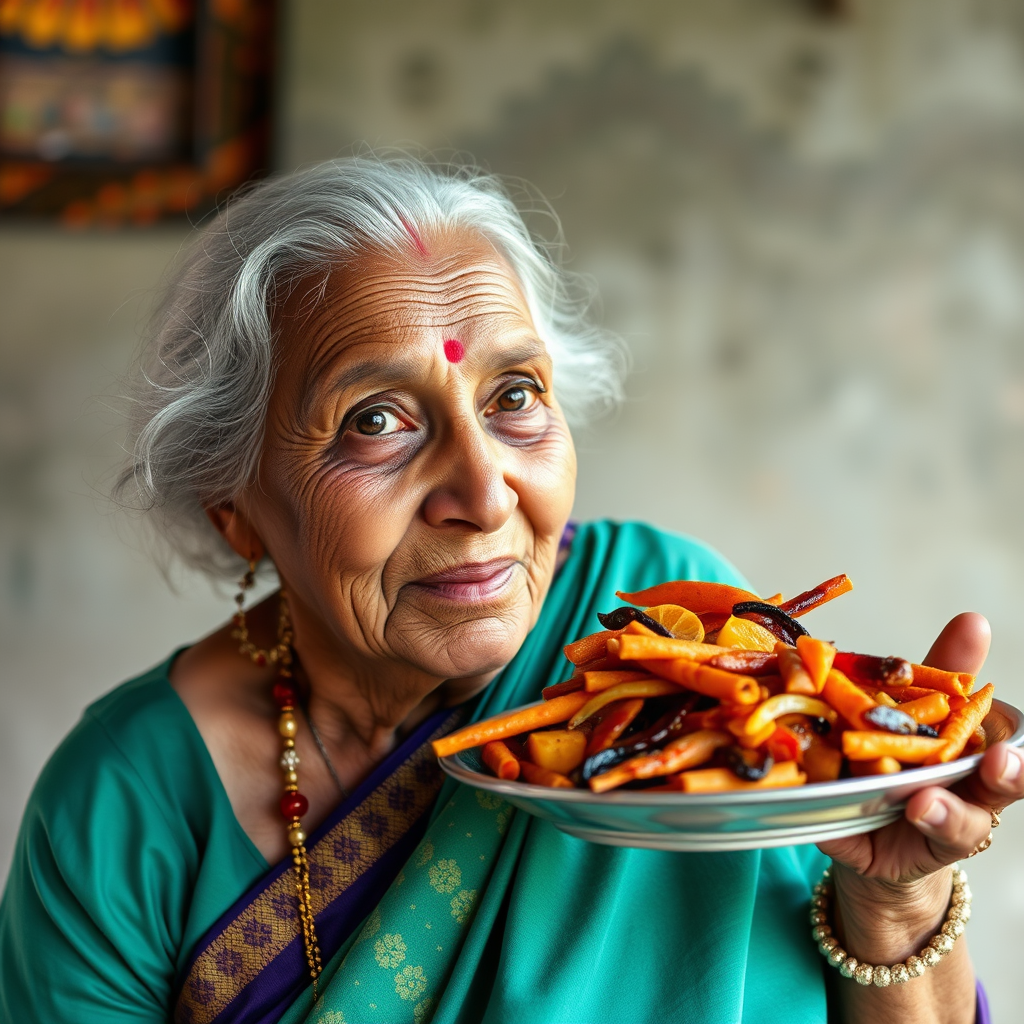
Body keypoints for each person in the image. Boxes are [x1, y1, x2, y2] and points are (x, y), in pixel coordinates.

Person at [0, 156, 1018, 1024]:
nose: (486, 492)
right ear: (236, 506)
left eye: (515, 397)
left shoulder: (676, 633)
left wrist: (893, 899)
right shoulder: (122, 805)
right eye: (376, 421)